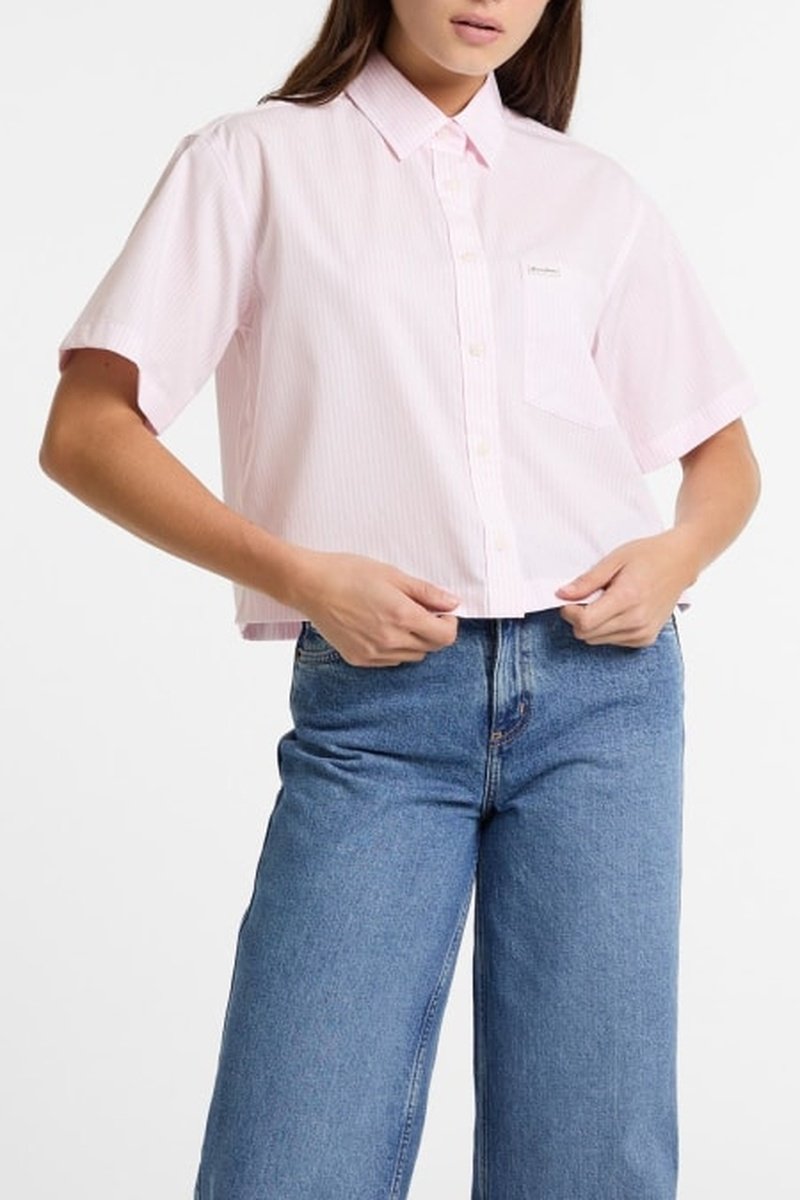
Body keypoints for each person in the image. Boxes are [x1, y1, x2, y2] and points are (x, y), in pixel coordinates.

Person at [39, 1, 762, 1197]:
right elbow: (85, 431)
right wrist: (298, 574)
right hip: (380, 703)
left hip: (607, 699)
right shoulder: (254, 162)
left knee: (589, 1160)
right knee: (290, 1157)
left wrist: (674, 556)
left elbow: (722, 458)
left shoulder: (590, 195)